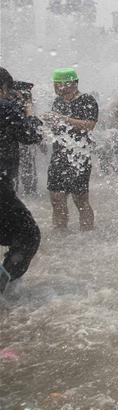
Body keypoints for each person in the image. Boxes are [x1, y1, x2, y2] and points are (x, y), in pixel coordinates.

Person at [0, 67, 43, 292]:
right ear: (4, 88)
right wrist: (29, 111)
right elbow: (32, 135)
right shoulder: (6, 107)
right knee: (28, 236)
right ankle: (4, 289)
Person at [43, 68, 98, 231]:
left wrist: (63, 119)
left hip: (79, 156)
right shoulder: (58, 102)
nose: (56, 87)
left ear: (73, 83)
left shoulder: (87, 100)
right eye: (55, 84)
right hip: (59, 154)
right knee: (56, 197)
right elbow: (57, 128)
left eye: (59, 84)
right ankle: (60, 232)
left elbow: (90, 125)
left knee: (80, 199)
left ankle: (87, 233)